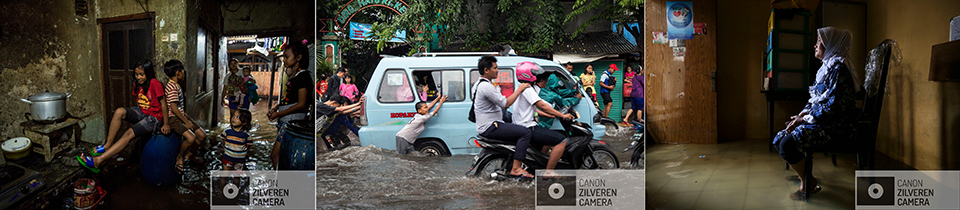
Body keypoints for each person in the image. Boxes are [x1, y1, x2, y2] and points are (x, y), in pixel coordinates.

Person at [774, 27, 860, 200]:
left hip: (836, 125)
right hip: (823, 120)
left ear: (831, 44)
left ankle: (808, 182)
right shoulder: (828, 67)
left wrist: (804, 119)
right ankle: (805, 176)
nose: (815, 45)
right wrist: (802, 115)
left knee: (786, 144)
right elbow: (816, 99)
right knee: (780, 138)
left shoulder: (839, 69)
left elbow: (833, 107)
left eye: (819, 41)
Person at [78, 59, 169, 173]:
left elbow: (163, 103)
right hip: (143, 113)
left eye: (142, 74)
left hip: (154, 118)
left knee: (128, 133)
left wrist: (165, 123)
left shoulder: (155, 83)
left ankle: (98, 161)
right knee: (119, 111)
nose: (138, 77)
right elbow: (139, 102)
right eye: (136, 74)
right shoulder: (136, 83)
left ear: (148, 74)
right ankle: (107, 145)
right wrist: (138, 117)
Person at [473, 55, 534, 178]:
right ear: (486, 70)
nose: (497, 71)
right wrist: (520, 89)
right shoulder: (486, 86)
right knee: (525, 133)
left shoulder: (479, 84)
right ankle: (516, 168)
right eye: (495, 68)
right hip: (491, 126)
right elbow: (505, 104)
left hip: (488, 124)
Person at [513, 61, 574, 178]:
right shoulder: (528, 89)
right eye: (534, 73)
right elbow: (542, 105)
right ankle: (549, 171)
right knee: (561, 140)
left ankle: (539, 163)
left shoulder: (524, 88)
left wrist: (550, 115)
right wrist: (562, 115)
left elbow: (533, 109)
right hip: (528, 127)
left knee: (548, 137)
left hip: (522, 125)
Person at [268, 40, 314, 169]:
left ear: (298, 58)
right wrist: (276, 108)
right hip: (286, 121)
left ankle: (281, 184)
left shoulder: (303, 77)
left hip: (291, 122)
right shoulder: (294, 76)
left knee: (276, 156)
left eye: (287, 57)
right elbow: (290, 99)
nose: (284, 60)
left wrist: (278, 114)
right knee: (281, 156)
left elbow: (301, 104)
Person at [162, 60, 209, 171]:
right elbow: (173, 108)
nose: (184, 74)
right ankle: (180, 157)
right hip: (173, 117)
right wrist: (186, 122)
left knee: (202, 136)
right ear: (178, 72)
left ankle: (190, 155)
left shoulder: (176, 85)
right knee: (191, 138)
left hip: (181, 115)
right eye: (183, 71)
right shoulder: (172, 87)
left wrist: (185, 118)